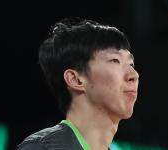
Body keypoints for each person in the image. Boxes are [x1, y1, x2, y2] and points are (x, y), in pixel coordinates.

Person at [16, 18, 139, 150]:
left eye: (131, 64)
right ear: (76, 79)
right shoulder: (42, 148)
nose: (134, 75)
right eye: (115, 60)